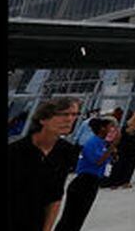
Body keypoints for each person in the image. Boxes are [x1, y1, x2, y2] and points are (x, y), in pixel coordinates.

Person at [8, 98, 81, 231]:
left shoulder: (66, 151)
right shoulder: (15, 151)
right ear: (43, 119)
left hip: (35, 221)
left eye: (74, 114)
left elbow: (55, 195)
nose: (70, 119)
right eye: (64, 114)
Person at [54, 117, 118, 231]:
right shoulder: (92, 142)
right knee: (70, 218)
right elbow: (97, 161)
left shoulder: (102, 143)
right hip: (84, 182)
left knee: (79, 218)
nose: (113, 130)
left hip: (93, 182)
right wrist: (112, 146)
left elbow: (106, 161)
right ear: (102, 128)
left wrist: (112, 152)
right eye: (110, 127)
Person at [104, 110, 135, 189]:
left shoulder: (126, 125)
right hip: (134, 150)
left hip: (123, 148)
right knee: (130, 166)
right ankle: (125, 182)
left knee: (119, 165)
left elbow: (121, 137)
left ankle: (115, 182)